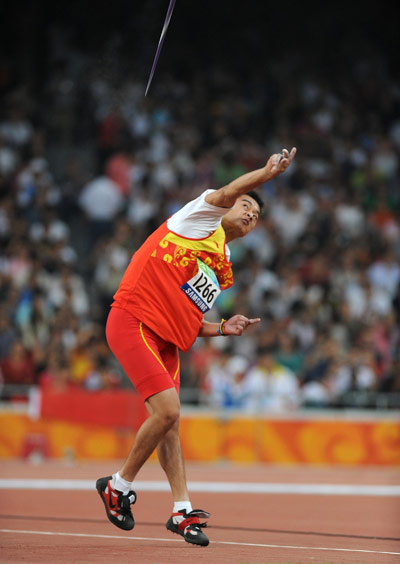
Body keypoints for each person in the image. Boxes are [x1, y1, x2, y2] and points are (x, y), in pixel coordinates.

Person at [96, 147, 297, 546]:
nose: (250, 213)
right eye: (245, 205)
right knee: (169, 410)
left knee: (170, 423)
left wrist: (223, 328)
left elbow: (188, 316)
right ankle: (117, 486)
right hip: (134, 319)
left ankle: (181, 510)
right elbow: (228, 190)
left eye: (256, 215)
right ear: (228, 203)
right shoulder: (198, 218)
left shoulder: (222, 264)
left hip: (167, 339)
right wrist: (264, 175)